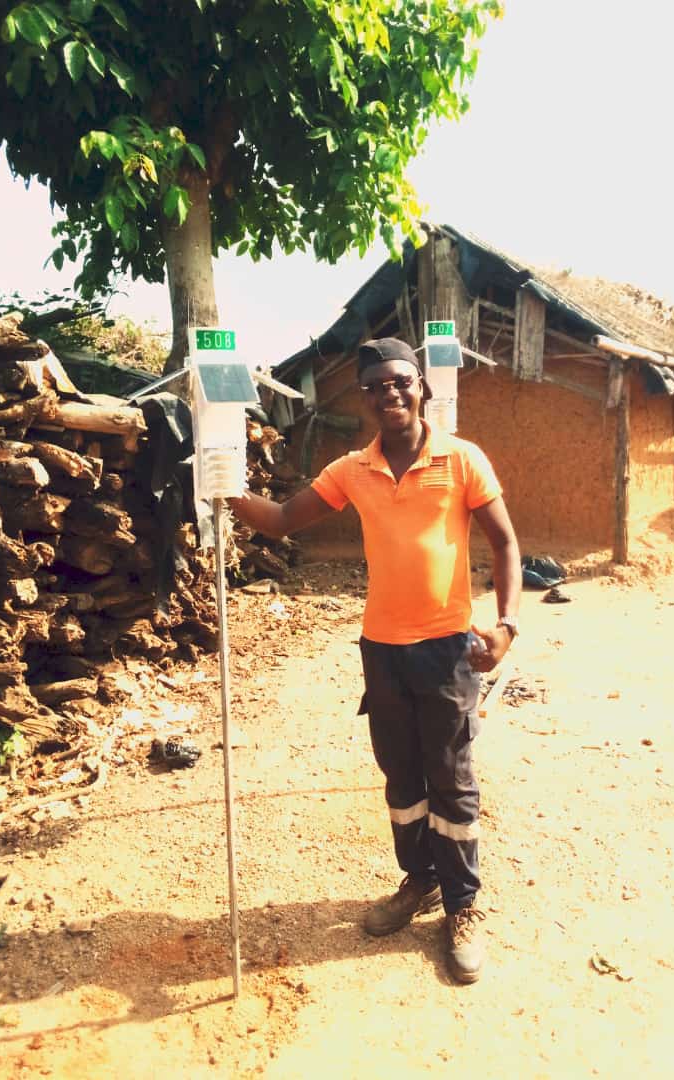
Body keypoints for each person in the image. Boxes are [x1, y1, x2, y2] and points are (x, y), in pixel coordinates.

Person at [229, 337, 521, 984]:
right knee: (401, 776)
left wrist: (506, 626)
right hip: (382, 650)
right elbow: (280, 519)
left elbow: (505, 544)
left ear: (421, 385)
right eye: (374, 385)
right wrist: (223, 489)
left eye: (399, 381)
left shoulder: (462, 459)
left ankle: (463, 904)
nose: (389, 393)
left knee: (452, 776)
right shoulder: (350, 470)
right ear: (363, 395)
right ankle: (418, 879)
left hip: (448, 647)